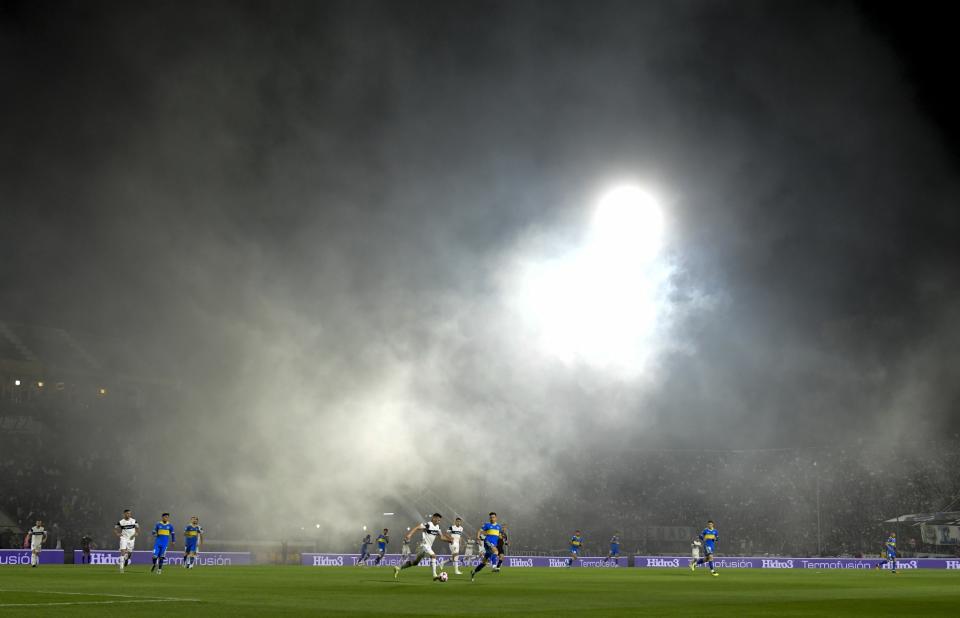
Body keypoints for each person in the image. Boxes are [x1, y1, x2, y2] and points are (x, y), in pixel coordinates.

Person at [394, 513, 453, 581]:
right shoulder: (428, 524)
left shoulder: (438, 527)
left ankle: (398, 568)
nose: (438, 521)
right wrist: (409, 535)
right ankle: (434, 575)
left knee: (415, 563)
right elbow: (417, 527)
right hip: (423, 545)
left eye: (439, 520)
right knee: (433, 555)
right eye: (437, 520)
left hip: (427, 547)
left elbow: (441, 537)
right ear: (433, 518)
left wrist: (449, 541)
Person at [470, 512, 502, 581]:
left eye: (493, 517)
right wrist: (478, 538)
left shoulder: (499, 526)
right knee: (496, 551)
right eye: (490, 517)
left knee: (484, 563)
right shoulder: (487, 525)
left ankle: (474, 572)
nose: (492, 519)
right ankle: (494, 566)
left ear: (496, 518)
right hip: (487, 542)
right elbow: (479, 531)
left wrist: (501, 537)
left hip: (493, 544)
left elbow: (498, 535)